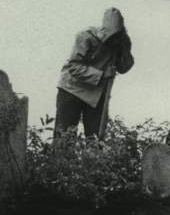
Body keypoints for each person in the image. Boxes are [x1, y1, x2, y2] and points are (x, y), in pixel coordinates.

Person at [55, 7, 134, 138]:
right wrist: (102, 74)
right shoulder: (86, 37)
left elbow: (123, 68)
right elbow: (73, 66)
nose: (114, 39)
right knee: (65, 135)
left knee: (95, 138)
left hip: (97, 95)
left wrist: (124, 50)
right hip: (72, 90)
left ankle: (92, 158)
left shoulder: (121, 41)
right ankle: (60, 158)